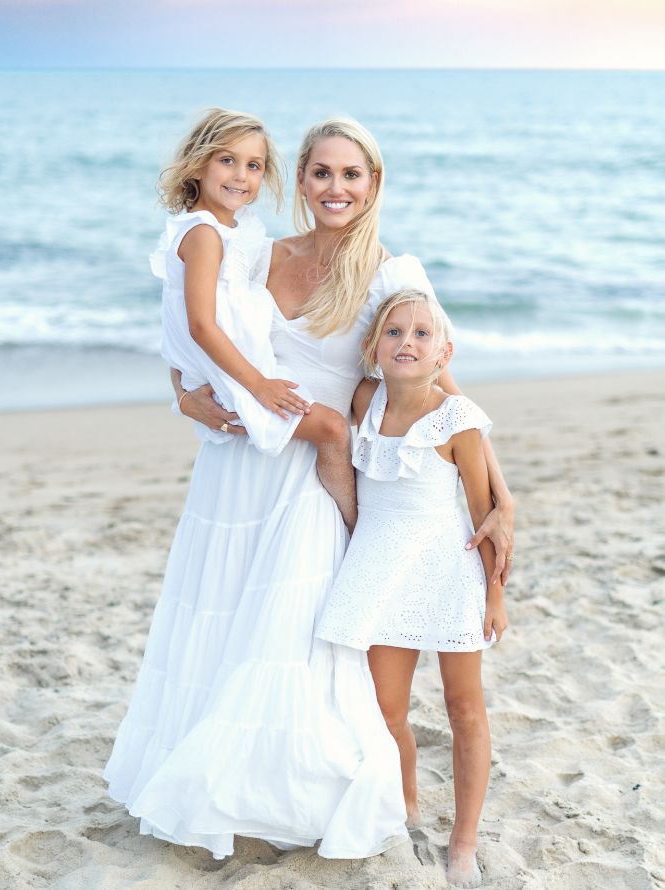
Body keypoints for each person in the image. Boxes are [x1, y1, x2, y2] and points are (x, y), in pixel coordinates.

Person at [103, 117, 515, 862]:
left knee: (297, 640)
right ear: (300, 180)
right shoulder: (257, 252)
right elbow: (200, 322)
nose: (335, 188)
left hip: (319, 472)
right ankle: (216, 786)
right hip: (240, 461)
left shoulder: (389, 274)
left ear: (373, 184)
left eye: (351, 174)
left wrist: (501, 492)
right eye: (321, 173)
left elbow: (440, 388)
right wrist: (180, 391)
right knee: (227, 619)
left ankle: (299, 798)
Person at [316, 288, 510, 887]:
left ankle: (464, 841)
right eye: (395, 332)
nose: (408, 343)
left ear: (443, 353)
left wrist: (495, 595)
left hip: (450, 575)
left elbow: (484, 518)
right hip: (380, 573)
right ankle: (407, 809)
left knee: (463, 709)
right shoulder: (364, 400)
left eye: (423, 335)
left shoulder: (459, 421)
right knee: (386, 711)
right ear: (374, 348)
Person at [153, 107, 356, 531]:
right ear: (198, 162)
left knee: (329, 428)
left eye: (254, 165)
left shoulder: (237, 230)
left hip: (236, 372)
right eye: (227, 160)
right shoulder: (205, 234)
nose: (240, 176)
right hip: (238, 379)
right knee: (333, 429)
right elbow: (199, 325)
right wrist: (258, 385)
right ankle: (356, 528)